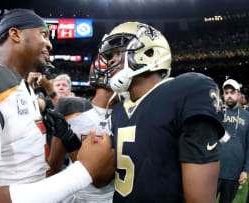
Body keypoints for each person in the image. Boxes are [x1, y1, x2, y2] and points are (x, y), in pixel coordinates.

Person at [0, 9, 112, 203]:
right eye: (43, 34)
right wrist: (84, 170)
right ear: (15, 34)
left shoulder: (24, 87)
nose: (50, 44)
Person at [92, 22, 225, 203]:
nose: (111, 60)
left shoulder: (188, 89)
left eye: (118, 52)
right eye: (110, 55)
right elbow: (103, 179)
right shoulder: (119, 110)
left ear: (149, 52)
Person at [54, 59, 116, 202]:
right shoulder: (70, 107)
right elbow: (53, 164)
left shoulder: (126, 114)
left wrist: (70, 140)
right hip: (73, 194)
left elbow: (101, 180)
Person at [218, 79, 249, 203]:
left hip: (234, 172)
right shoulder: (217, 113)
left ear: (239, 94)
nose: (229, 95)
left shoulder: (247, 116)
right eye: (226, 92)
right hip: (214, 170)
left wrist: (246, 170)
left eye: (232, 92)